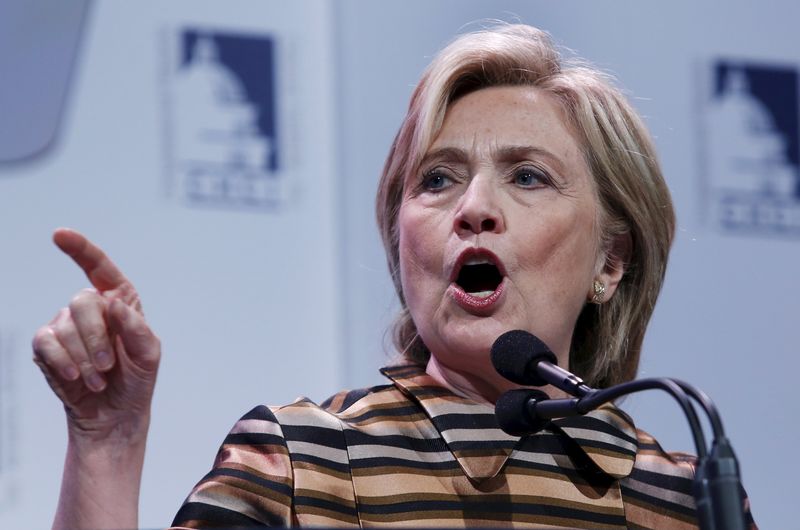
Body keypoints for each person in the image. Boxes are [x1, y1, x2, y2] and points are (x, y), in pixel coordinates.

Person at [33, 24, 756, 529]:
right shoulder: (299, 461)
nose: (474, 208)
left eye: (527, 176)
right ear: (400, 238)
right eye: (438, 179)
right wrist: (107, 440)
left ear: (612, 262)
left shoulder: (685, 498)